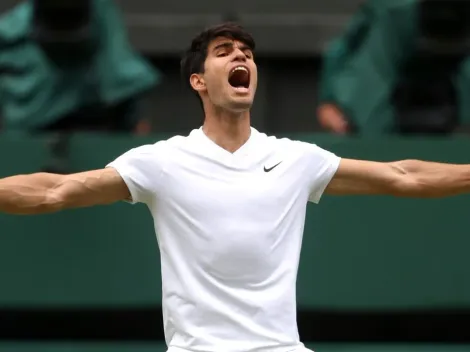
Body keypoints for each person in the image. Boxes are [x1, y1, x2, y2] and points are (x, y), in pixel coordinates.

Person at [0, 22, 469, 352]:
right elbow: (54, 191)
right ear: (198, 81)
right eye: (224, 52)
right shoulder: (160, 161)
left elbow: (402, 176)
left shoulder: (296, 159)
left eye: (246, 53)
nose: (241, 56)